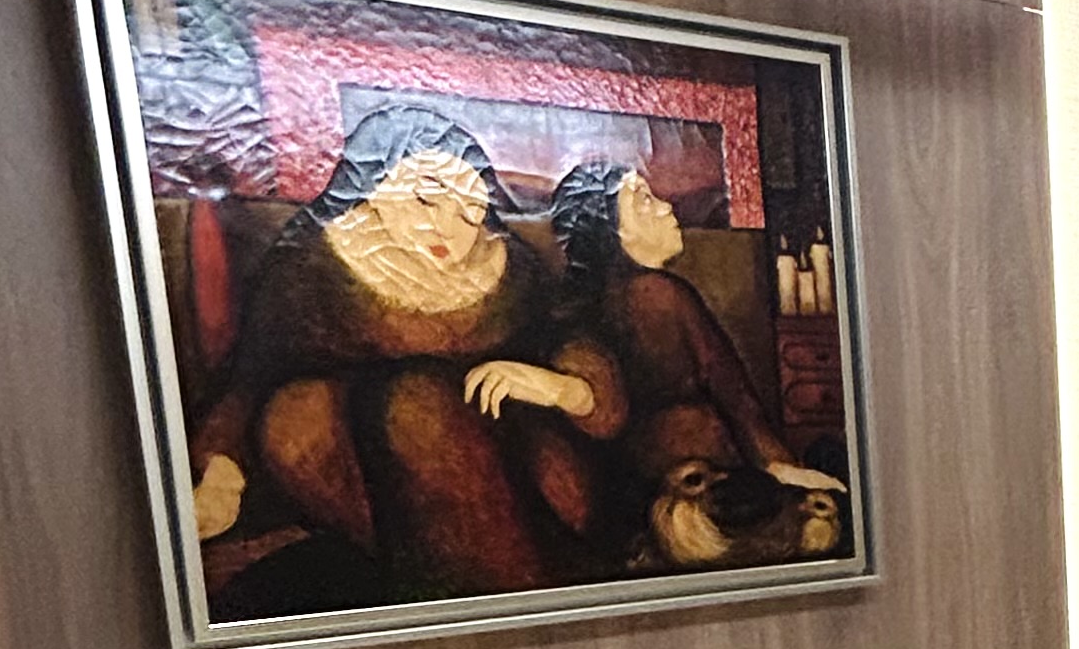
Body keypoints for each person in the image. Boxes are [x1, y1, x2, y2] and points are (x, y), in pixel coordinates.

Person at [187, 112, 619, 595]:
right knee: (335, 410)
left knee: (418, 402)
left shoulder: (509, 268)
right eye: (426, 198)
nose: (448, 229)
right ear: (373, 186)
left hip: (513, 467)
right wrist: (221, 477)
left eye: (470, 212)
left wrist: (565, 386)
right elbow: (250, 380)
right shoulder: (308, 265)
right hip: (351, 472)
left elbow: (571, 340)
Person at [545, 159, 844, 563]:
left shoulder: (612, 301)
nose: (666, 208)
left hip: (658, 502)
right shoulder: (657, 294)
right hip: (692, 495)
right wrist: (778, 464)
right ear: (614, 231)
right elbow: (732, 392)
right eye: (644, 201)